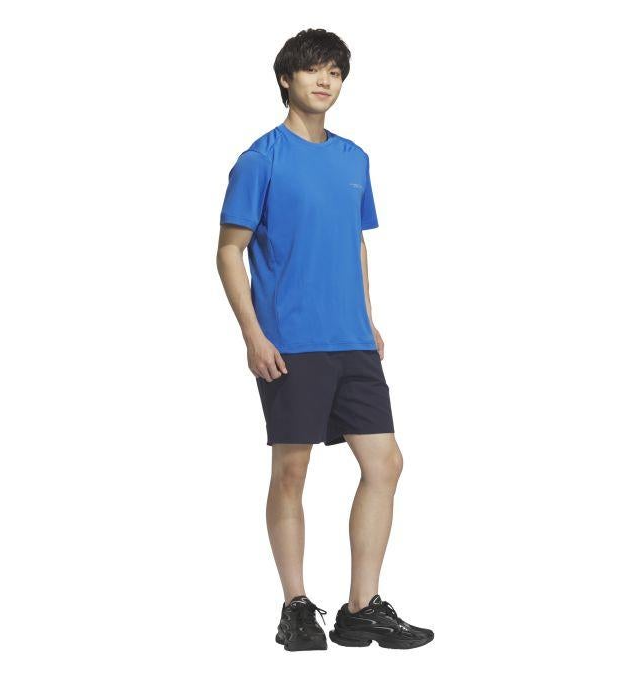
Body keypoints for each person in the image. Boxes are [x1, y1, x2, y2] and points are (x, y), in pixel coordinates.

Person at [216, 28, 434, 651]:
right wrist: (253, 335)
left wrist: (368, 318)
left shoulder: (354, 159)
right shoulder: (261, 159)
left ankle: (361, 607)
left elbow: (355, 243)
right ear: (286, 78)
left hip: (352, 340)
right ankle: (296, 606)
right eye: (313, 70)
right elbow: (229, 250)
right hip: (290, 340)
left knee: (385, 463)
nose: (325, 81)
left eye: (335, 72)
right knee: (292, 470)